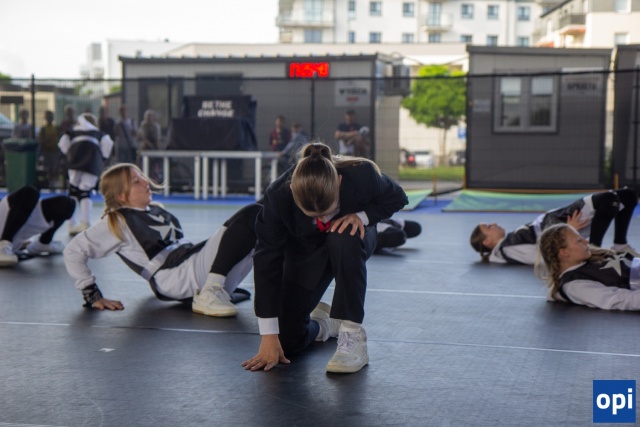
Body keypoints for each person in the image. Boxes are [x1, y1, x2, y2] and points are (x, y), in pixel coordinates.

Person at [242, 142, 408, 374]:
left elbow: (398, 197)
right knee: (287, 341)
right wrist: (268, 334)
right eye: (314, 215)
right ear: (292, 190)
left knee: (343, 236)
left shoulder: (361, 175)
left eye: (328, 211)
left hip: (352, 239)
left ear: (339, 182)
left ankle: (352, 335)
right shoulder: (277, 197)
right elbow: (266, 261)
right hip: (307, 253)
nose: (323, 220)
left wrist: (361, 216)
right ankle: (326, 324)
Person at [63, 163, 257, 315]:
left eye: (142, 177)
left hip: (190, 264)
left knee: (265, 211)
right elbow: (73, 250)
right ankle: (210, 292)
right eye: (136, 181)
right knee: (253, 213)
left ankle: (221, 288)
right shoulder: (118, 220)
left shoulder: (156, 209)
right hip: (177, 276)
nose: (145, 182)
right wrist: (92, 295)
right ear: (121, 195)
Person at [469, 189, 639, 265]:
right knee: (608, 200)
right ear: (487, 241)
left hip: (555, 222)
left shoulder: (508, 242)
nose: (494, 224)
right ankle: (594, 251)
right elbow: (541, 255)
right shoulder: (506, 249)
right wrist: (566, 232)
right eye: (488, 226)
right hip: (556, 226)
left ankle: (619, 245)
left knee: (628, 196)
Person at [536, 223, 640, 311]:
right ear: (564, 253)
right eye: (579, 240)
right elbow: (621, 300)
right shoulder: (575, 286)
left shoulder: (591, 258)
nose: (586, 241)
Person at [58, 112, 114, 235]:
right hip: (93, 162)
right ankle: (85, 222)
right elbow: (108, 143)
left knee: (73, 190)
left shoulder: (72, 131)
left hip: (75, 160)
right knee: (85, 191)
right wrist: (102, 158)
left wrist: (70, 153)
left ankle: (71, 223)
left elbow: (63, 142)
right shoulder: (99, 133)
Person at [0, 186, 75, 268]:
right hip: (7, 234)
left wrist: (22, 245)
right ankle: (4, 243)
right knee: (29, 192)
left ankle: (43, 243)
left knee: (67, 204)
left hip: (12, 222)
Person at [136, 109, 162, 181]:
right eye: (147, 116)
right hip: (144, 150)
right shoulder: (142, 126)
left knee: (153, 170)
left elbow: (157, 140)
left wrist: (157, 150)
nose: (148, 118)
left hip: (153, 151)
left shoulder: (156, 127)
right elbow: (140, 137)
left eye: (150, 116)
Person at [38, 110, 61, 189]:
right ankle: (48, 184)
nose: (50, 118)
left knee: (55, 168)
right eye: (48, 117)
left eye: (51, 116)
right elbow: (40, 141)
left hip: (55, 151)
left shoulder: (56, 128)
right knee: (48, 168)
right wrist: (47, 139)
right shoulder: (43, 129)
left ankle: (53, 183)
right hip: (47, 151)